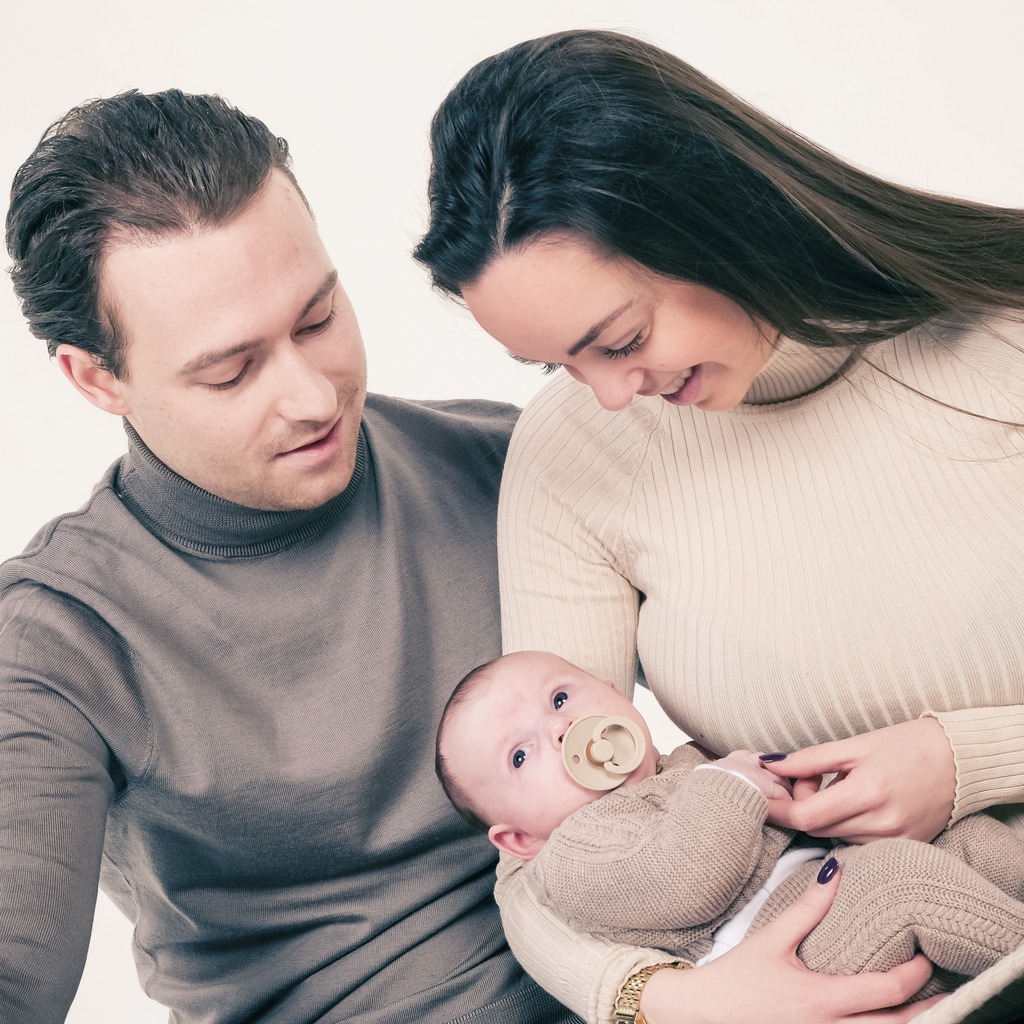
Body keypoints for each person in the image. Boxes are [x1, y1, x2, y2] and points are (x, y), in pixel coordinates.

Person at [413, 27, 1024, 1024]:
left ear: (704, 216)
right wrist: (665, 1002)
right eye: (558, 365)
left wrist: (974, 759)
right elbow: (545, 855)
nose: (610, 396)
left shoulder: (1001, 327)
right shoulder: (575, 458)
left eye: (619, 340)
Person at [0, 89, 581, 1024]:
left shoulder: (510, 463)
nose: (313, 398)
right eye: (232, 370)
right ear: (96, 377)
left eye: (317, 320)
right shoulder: (58, 639)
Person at [436, 650, 1024, 998]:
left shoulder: (687, 764)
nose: (562, 732)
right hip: (776, 951)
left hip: (829, 886)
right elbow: (684, 879)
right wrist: (737, 784)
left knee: (969, 839)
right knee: (901, 883)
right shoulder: (572, 853)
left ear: (616, 696)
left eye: (561, 699)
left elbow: (773, 823)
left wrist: (810, 794)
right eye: (520, 755)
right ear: (519, 841)